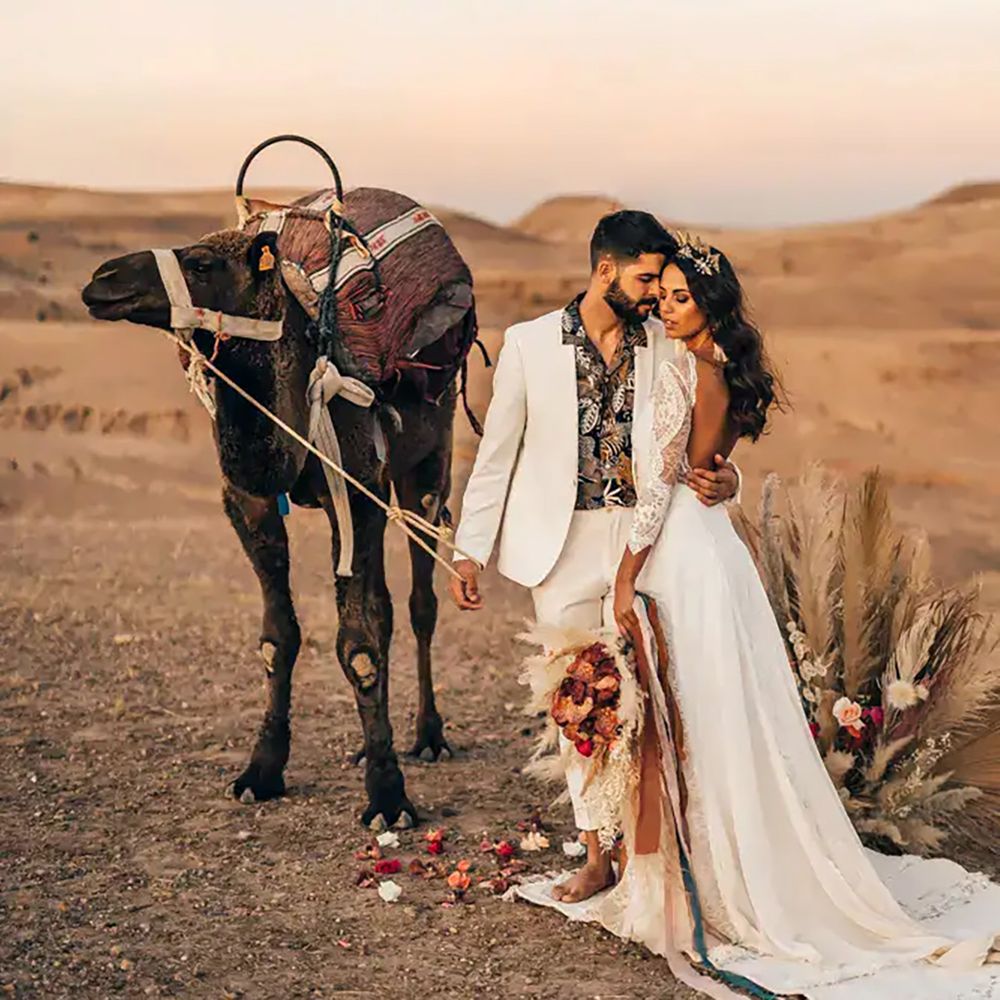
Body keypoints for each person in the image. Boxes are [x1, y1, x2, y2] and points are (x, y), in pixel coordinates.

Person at [519, 234, 1000, 999]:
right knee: (718, 714)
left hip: (678, 552)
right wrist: (729, 479)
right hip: (717, 555)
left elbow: (663, 487)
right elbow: (715, 468)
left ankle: (712, 884)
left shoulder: (686, 372)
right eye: (662, 295)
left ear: (709, 304)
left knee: (696, 715)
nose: (665, 307)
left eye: (679, 298)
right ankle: (716, 864)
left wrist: (624, 575)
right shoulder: (728, 371)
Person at [448, 211, 741, 903]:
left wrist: (731, 482)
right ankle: (596, 854)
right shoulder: (527, 344)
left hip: (650, 539)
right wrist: (470, 551)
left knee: (661, 693)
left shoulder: (664, 345)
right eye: (644, 278)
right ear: (604, 269)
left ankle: (663, 847)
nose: (653, 293)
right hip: (557, 546)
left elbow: (699, 438)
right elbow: (497, 456)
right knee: (581, 699)